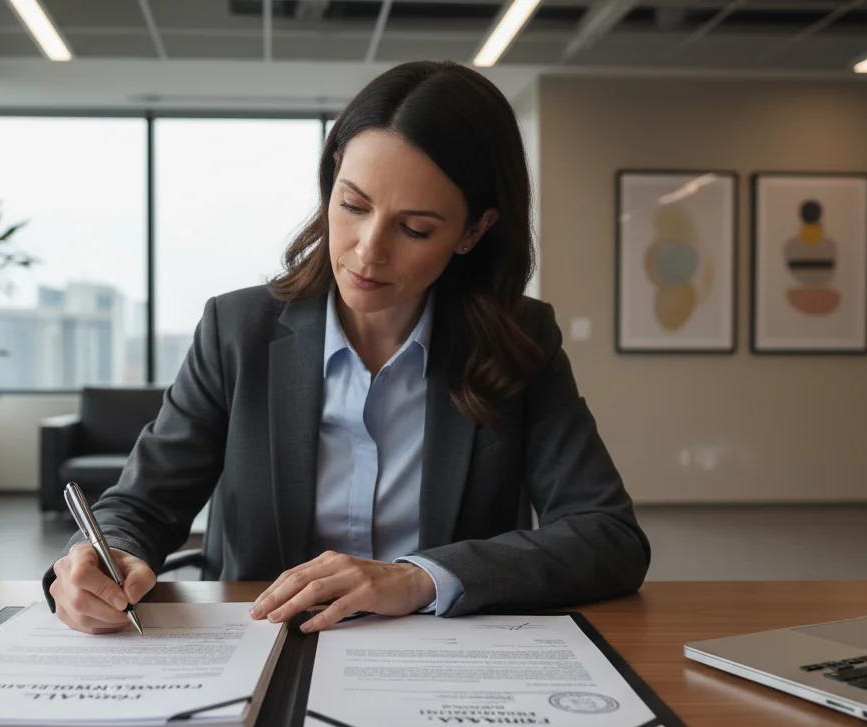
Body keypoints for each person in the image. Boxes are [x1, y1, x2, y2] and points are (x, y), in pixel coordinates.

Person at [43, 60, 650, 636]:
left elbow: (608, 536)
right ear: (331, 177)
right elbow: (141, 506)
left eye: (415, 228)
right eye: (353, 205)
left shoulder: (520, 341)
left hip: (439, 659)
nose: (367, 250)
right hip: (260, 649)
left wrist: (418, 578)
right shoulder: (238, 329)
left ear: (473, 231)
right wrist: (102, 557)